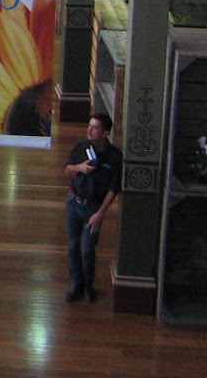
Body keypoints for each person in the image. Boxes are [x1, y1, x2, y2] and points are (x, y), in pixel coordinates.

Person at [64, 112, 122, 302]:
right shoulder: (82, 147)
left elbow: (114, 188)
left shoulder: (114, 156)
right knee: (73, 246)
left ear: (105, 133)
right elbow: (67, 168)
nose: (89, 130)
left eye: (95, 127)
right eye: (90, 125)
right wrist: (79, 167)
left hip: (93, 208)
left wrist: (100, 214)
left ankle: (89, 285)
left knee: (87, 249)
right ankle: (76, 284)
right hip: (74, 202)